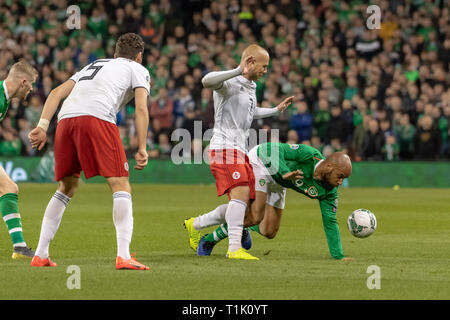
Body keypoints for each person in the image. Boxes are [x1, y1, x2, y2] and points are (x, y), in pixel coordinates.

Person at [28, 33, 151, 270]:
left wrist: (43, 126)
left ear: (115, 54)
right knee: (120, 184)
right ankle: (124, 256)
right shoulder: (138, 68)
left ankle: (41, 254)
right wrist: (143, 147)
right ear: (139, 56)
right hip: (97, 118)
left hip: (65, 121)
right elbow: (141, 109)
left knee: (67, 186)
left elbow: (55, 93)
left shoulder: (94, 65)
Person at [183, 44, 293, 260]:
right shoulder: (229, 81)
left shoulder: (251, 86)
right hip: (223, 147)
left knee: (247, 205)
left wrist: (275, 110)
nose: (266, 70)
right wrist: (237, 70)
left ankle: (195, 224)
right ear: (250, 62)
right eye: (264, 66)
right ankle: (234, 249)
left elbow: (250, 113)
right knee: (241, 196)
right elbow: (206, 81)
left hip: (240, 150)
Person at [189, 142, 353, 261]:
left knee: (269, 231)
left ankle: (242, 227)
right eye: (340, 176)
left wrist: (339, 256)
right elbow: (272, 149)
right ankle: (209, 239)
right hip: (263, 163)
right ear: (329, 165)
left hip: (280, 182)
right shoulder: (309, 154)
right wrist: (284, 171)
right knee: (254, 216)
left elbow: (330, 221)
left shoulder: (330, 191)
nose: (340, 182)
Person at [0, 59, 38, 259]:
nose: (30, 90)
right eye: (30, 85)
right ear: (23, 81)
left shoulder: (3, 99)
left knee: (9, 188)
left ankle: (20, 247)